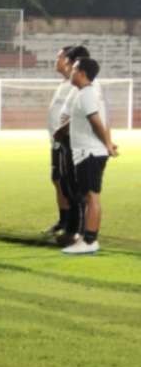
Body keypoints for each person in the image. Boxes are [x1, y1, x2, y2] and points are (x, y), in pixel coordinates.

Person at [55, 57, 118, 255]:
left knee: (92, 197)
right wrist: (62, 130)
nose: (70, 71)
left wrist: (107, 143)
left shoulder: (87, 94)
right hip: (86, 152)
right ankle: (87, 238)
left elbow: (96, 122)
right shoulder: (86, 93)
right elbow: (80, 118)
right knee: (90, 196)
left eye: (74, 69)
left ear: (82, 73)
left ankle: (90, 241)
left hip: (90, 152)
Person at [44, 45, 88, 240]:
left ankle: (79, 227)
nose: (57, 61)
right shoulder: (65, 84)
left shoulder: (78, 85)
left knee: (72, 185)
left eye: (59, 58)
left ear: (70, 62)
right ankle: (65, 221)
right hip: (57, 141)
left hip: (70, 142)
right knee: (59, 180)